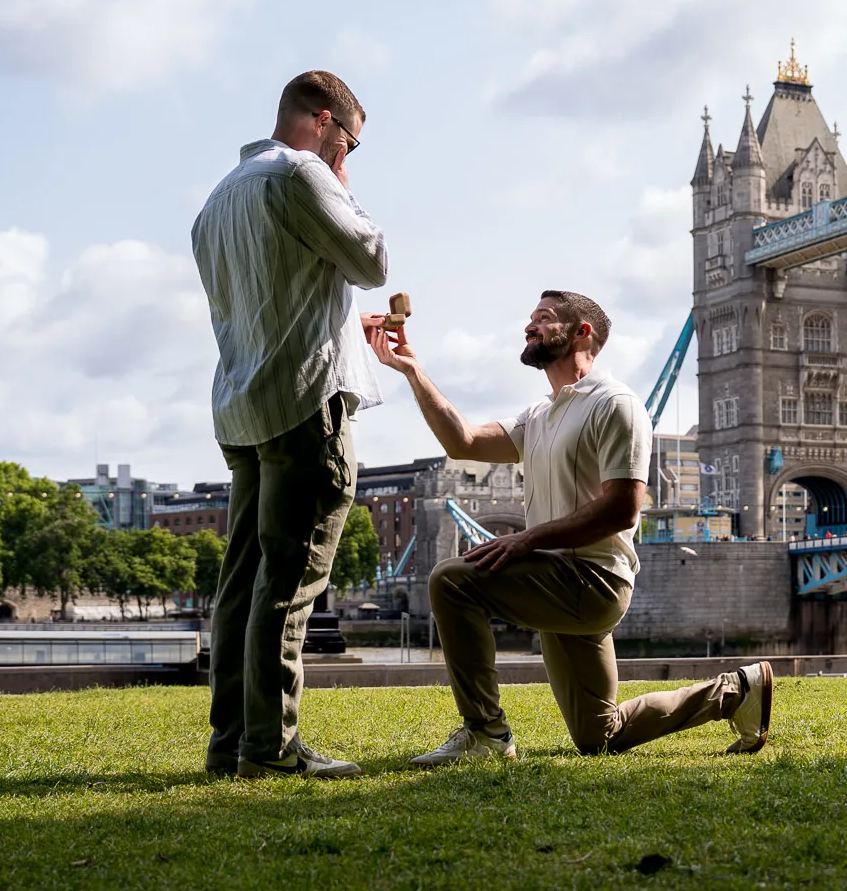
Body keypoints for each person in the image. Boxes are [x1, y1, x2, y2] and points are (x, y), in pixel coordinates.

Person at [367, 290, 773, 762]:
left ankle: (486, 733)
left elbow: (622, 509)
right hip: (557, 578)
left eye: (543, 318)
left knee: (453, 581)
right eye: (530, 318)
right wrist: (414, 371)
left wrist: (527, 540)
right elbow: (463, 440)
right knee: (598, 735)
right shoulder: (539, 415)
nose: (529, 326)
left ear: (583, 333)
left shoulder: (615, 404)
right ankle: (737, 691)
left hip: (592, 580)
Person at [192, 70, 387, 779]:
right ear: (323, 119)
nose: (349, 157)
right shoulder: (304, 175)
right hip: (308, 402)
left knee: (241, 582)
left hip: (244, 406)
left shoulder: (218, 198)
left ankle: (230, 743)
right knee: (293, 579)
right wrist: (342, 182)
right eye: (352, 142)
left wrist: (338, 321)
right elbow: (370, 258)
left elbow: (273, 295)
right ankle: (272, 748)